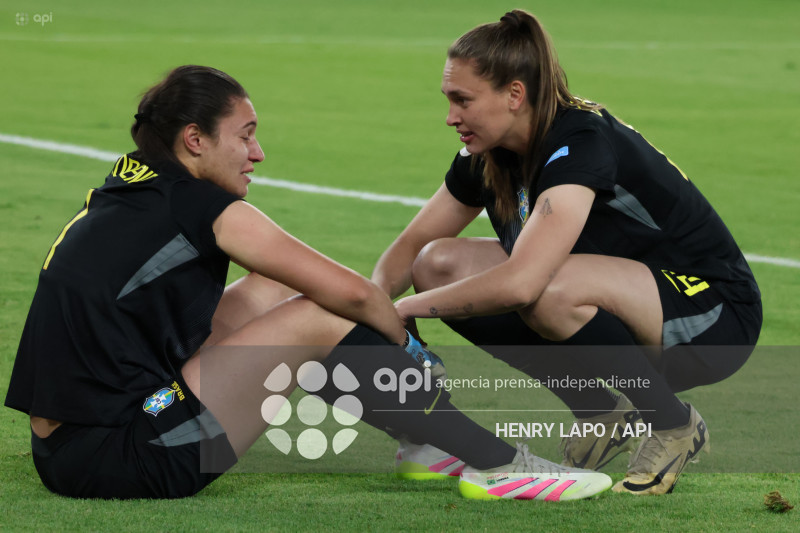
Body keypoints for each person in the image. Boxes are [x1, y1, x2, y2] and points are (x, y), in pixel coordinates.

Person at [4, 65, 612, 501]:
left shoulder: (131, 187)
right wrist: (408, 352)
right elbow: (348, 294)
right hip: (125, 455)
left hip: (76, 443)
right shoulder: (203, 208)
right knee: (319, 316)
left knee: (272, 295)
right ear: (195, 140)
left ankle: (425, 441)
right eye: (244, 134)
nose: (258, 152)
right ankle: (497, 463)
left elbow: (279, 286)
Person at [373, 11, 762, 495]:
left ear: (515, 95)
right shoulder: (487, 152)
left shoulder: (578, 141)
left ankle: (672, 424)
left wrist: (405, 309)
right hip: (627, 298)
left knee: (547, 289)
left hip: (713, 312)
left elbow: (522, 282)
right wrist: (371, 311)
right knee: (436, 265)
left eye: (462, 100)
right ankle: (600, 413)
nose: (450, 116)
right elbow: (411, 249)